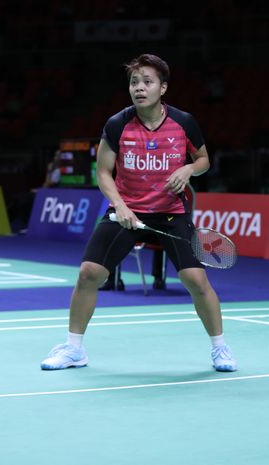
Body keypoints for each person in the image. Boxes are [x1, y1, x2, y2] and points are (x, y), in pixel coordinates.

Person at [41, 53, 237, 372]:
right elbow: (103, 171)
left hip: (171, 215)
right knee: (89, 273)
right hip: (127, 212)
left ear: (163, 88)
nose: (139, 88)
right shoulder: (118, 124)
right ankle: (73, 348)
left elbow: (204, 160)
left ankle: (221, 347)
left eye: (147, 82)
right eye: (134, 82)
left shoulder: (183, 122)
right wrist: (119, 205)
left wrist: (188, 169)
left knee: (196, 279)